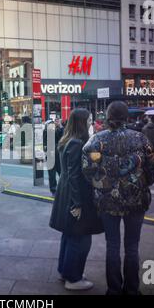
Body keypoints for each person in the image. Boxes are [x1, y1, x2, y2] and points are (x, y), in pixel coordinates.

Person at [82, 101, 154, 295]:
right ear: (127, 117)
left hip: (108, 200)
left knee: (113, 245)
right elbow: (153, 170)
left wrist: (102, 185)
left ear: (108, 117)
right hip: (136, 200)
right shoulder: (141, 139)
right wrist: (141, 185)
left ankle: (114, 289)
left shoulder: (96, 141)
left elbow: (88, 170)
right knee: (132, 246)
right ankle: (132, 289)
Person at [49, 109, 104, 291]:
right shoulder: (77, 143)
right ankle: (73, 278)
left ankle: (66, 271)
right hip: (75, 195)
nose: (91, 122)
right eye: (89, 119)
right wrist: (77, 203)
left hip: (67, 193)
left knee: (70, 234)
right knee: (80, 238)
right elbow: (74, 176)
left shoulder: (67, 141)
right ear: (81, 122)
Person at [43, 118, 64, 195]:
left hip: (57, 156)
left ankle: (59, 188)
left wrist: (60, 126)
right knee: (52, 175)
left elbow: (62, 135)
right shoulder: (47, 132)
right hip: (51, 156)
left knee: (61, 172)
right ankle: (54, 190)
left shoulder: (56, 131)